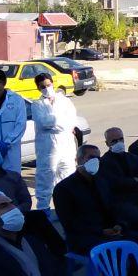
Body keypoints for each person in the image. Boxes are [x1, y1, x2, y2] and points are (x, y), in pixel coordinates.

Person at [54, 144, 138, 260]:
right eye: (91, 157)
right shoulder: (64, 189)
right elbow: (70, 223)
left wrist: (119, 225)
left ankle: (133, 272)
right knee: (117, 252)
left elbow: (112, 207)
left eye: (98, 158)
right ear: (78, 160)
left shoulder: (101, 182)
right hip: (84, 237)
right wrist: (101, 231)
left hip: (109, 232)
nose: (95, 161)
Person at [29, 72, 77, 209]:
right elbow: (43, 122)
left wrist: (54, 122)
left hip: (66, 144)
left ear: (52, 83)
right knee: (46, 179)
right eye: (43, 87)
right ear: (38, 88)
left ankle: (66, 209)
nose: (46, 88)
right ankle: (43, 210)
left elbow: (71, 121)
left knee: (68, 176)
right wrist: (61, 121)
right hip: (47, 147)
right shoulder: (37, 104)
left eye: (48, 85)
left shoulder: (65, 101)